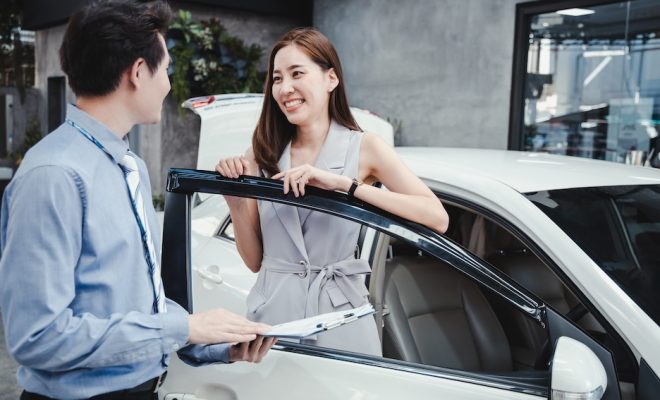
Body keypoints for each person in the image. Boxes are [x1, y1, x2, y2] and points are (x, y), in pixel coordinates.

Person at [0, 1, 274, 399]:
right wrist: (184, 328)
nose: (167, 84)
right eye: (165, 70)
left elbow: (140, 309)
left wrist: (212, 343)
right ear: (139, 72)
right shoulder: (54, 177)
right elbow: (37, 337)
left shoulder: (131, 167)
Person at [215, 27, 449, 356]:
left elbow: (436, 217)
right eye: (277, 78)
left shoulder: (365, 147)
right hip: (274, 319)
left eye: (297, 73)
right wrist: (236, 202)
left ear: (331, 79)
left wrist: (345, 185)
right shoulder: (262, 152)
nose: (285, 88)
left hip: (341, 317)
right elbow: (255, 261)